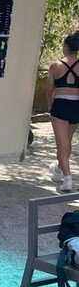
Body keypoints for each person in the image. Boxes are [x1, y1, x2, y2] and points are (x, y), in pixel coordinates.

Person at [47, 30, 79, 192]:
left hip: (60, 104)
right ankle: (59, 170)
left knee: (62, 143)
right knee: (67, 141)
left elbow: (49, 91)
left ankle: (67, 178)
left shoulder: (56, 66)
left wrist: (50, 106)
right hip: (76, 106)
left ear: (66, 47)